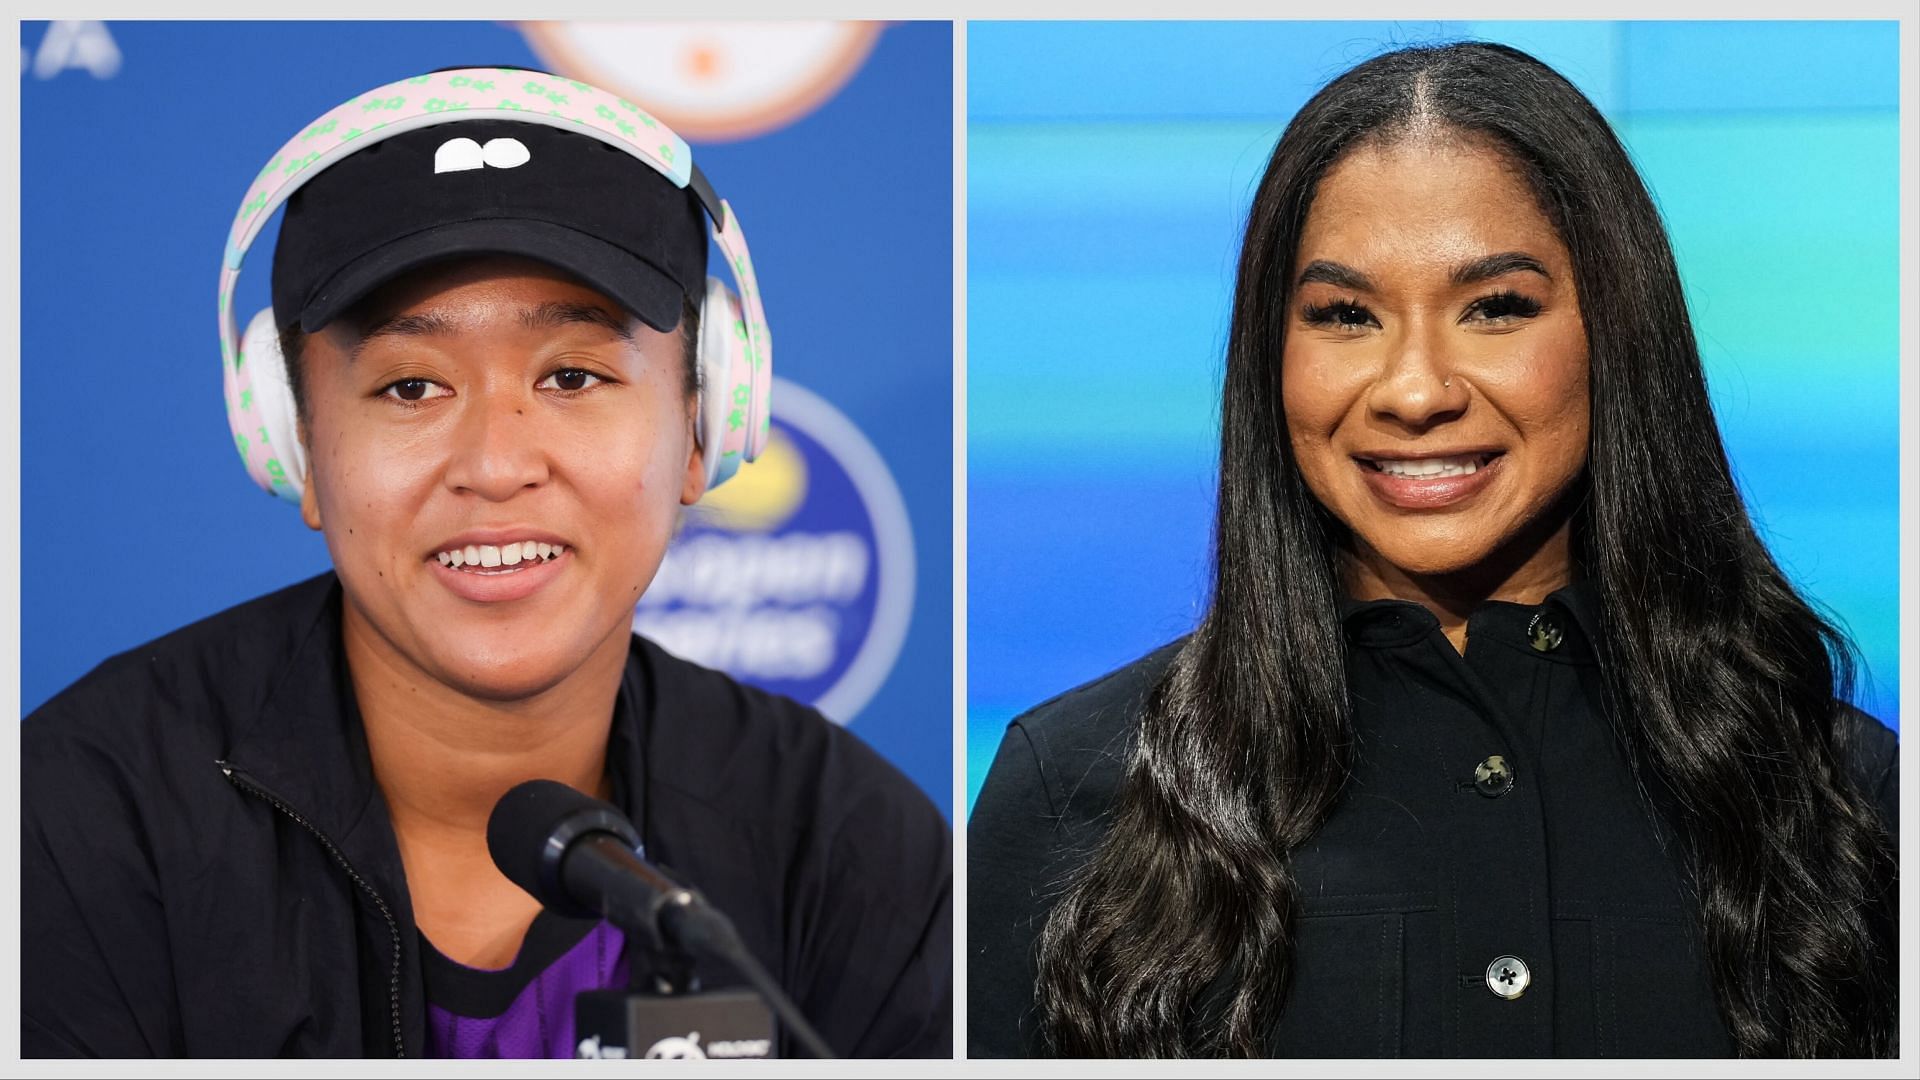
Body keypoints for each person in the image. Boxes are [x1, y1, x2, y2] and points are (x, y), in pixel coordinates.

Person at [968, 41, 1897, 1059]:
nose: (1416, 391)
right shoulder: (1078, 792)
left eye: (1496, 307)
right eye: (1346, 316)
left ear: (1616, 334)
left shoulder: (1841, 799)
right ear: (1272, 359)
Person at [22, 67, 951, 1059]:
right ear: (290, 444)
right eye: (411, 387)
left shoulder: (842, 844)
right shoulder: (82, 822)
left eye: (573, 375)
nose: (497, 465)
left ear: (703, 424)